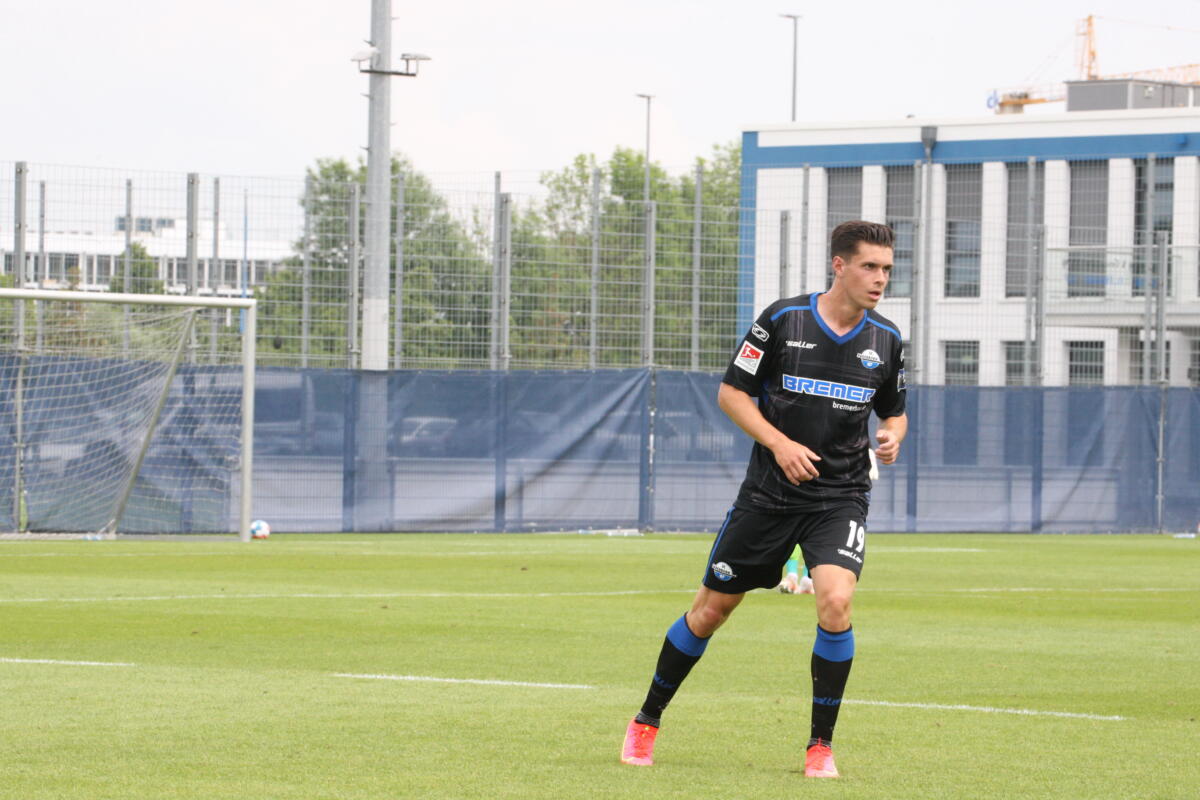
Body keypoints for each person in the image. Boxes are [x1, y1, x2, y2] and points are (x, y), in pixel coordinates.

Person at [620, 220, 908, 778]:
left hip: (840, 496)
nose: (880, 279)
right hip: (769, 497)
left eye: (888, 269)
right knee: (709, 612)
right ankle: (646, 721)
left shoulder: (887, 340)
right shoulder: (782, 320)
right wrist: (778, 443)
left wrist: (895, 433)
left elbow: (893, 409)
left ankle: (819, 747)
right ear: (839, 265)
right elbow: (732, 393)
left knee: (836, 602)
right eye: (870, 266)